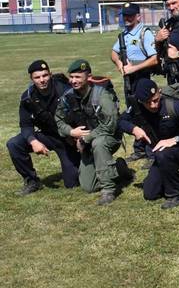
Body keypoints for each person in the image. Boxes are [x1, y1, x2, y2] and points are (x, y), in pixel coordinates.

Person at [119, 78, 179, 209]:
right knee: (150, 193)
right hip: (162, 155)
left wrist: (175, 140)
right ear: (141, 101)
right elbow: (121, 121)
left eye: (156, 100)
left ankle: (174, 195)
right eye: (148, 102)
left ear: (159, 92)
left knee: (163, 153)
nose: (153, 105)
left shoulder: (174, 106)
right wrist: (133, 129)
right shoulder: (136, 107)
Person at [54, 60, 122, 205]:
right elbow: (58, 120)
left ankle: (108, 190)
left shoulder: (102, 95)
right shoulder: (68, 96)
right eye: (71, 77)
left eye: (78, 77)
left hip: (109, 138)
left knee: (99, 142)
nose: (73, 81)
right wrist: (71, 132)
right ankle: (119, 168)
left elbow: (109, 126)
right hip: (86, 143)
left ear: (88, 77)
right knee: (88, 187)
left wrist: (85, 139)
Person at [7, 60, 80, 194]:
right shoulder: (27, 97)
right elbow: (25, 124)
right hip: (47, 135)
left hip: (68, 139)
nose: (42, 80)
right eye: (37, 77)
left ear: (50, 74)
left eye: (45, 75)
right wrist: (33, 141)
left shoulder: (65, 90)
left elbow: (80, 117)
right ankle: (32, 181)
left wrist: (77, 138)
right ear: (31, 79)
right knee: (14, 144)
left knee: (72, 183)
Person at [110, 1, 158, 162]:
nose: (127, 18)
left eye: (130, 15)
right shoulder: (124, 35)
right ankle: (139, 149)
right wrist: (120, 65)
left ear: (138, 16)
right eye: (125, 16)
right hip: (129, 80)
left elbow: (154, 59)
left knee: (146, 113)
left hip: (142, 78)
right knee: (134, 112)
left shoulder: (145, 33)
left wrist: (133, 68)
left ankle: (152, 151)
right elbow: (113, 53)